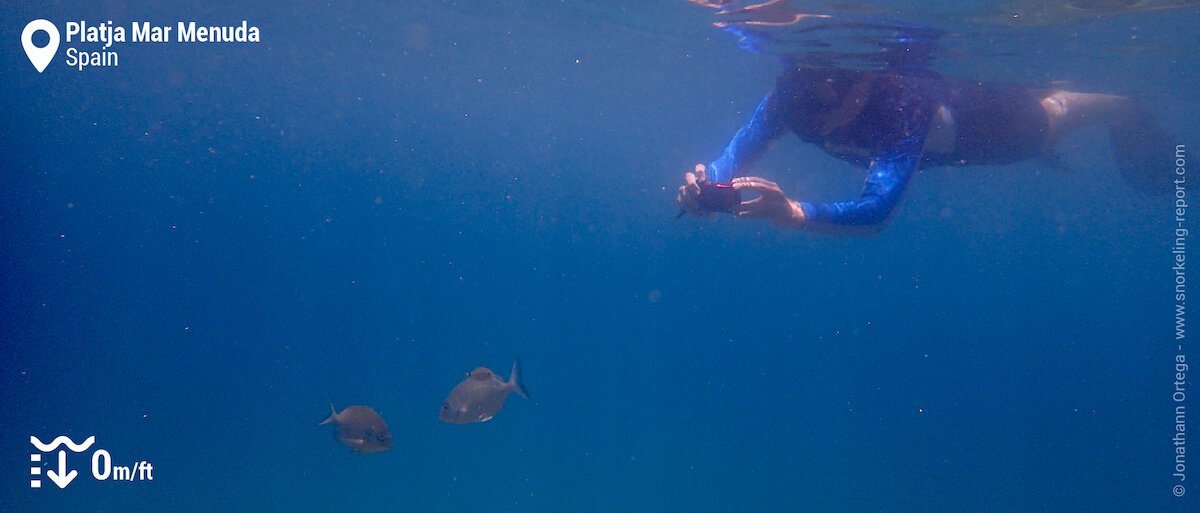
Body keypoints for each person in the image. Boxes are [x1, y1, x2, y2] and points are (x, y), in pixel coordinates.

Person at [677, 66, 1171, 233]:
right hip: (963, 113)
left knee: (1090, 111)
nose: (814, 126)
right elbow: (738, 148)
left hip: (1017, 130)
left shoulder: (900, 107)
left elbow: (877, 210)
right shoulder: (795, 96)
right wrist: (706, 181)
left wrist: (798, 212)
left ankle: (1151, 141)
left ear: (861, 82)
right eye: (804, 114)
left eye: (824, 107)